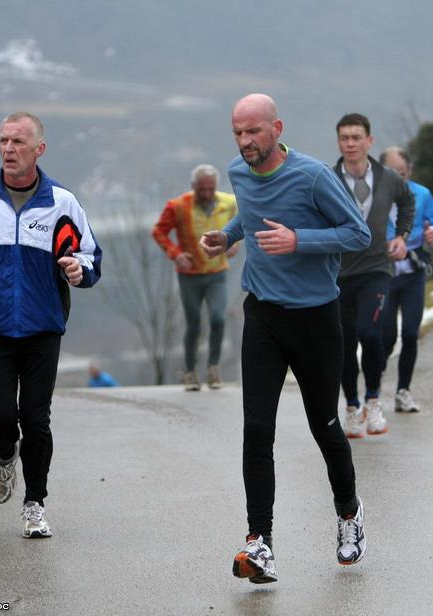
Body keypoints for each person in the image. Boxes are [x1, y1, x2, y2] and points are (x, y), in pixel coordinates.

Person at [200, 93, 371, 584]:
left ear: (276, 129)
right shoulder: (238, 171)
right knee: (257, 429)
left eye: (253, 131)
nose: (244, 141)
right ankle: (260, 542)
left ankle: (348, 513)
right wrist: (228, 236)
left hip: (316, 319)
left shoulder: (314, 176)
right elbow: (251, 214)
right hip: (263, 315)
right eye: (237, 132)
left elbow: (357, 234)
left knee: (325, 426)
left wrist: (300, 240)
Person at [0, 112, 101, 539]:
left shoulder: (62, 203)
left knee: (36, 419)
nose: (9, 149)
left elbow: (90, 256)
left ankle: (35, 504)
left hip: (42, 327)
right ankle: (3, 453)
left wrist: (78, 270)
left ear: (39, 150)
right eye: (3, 141)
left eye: (18, 142)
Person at [333, 113, 415, 439]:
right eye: (344, 138)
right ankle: (352, 407)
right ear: (339, 142)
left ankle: (373, 400)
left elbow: (407, 202)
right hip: (339, 273)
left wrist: (402, 236)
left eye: (356, 137)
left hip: (377, 269)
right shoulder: (328, 179)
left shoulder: (388, 178)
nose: (350, 144)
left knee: (370, 333)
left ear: (369, 141)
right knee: (344, 343)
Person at [152, 164, 239, 391]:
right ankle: (190, 372)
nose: (207, 193)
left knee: (218, 318)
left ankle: (213, 368)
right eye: (201, 189)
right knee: (194, 324)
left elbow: (242, 223)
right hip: (189, 275)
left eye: (210, 188)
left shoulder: (229, 202)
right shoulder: (178, 206)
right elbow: (159, 231)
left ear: (216, 186)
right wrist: (176, 254)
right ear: (193, 186)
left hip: (217, 273)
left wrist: (234, 243)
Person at [379, 146, 433, 413]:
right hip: (383, 274)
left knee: (409, 333)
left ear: (410, 171)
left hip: (413, 273)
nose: (398, 179)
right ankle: (374, 388)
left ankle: (403, 391)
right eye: (391, 173)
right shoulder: (372, 197)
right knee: (385, 337)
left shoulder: (422, 194)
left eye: (402, 174)